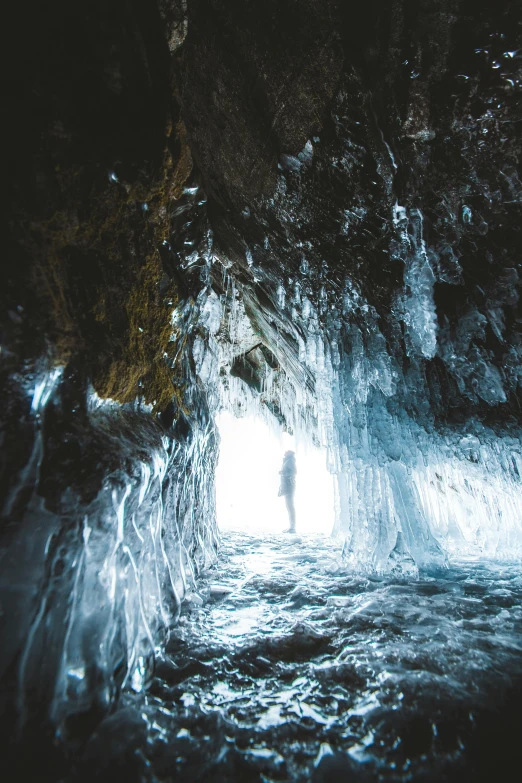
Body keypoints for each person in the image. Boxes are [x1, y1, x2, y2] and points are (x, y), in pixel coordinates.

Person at [278, 450, 297, 533]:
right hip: (287, 487)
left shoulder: (290, 461)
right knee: (289, 507)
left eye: (286, 452)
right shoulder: (287, 461)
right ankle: (291, 526)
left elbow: (294, 472)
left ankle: (292, 527)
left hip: (289, 487)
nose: (284, 453)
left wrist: (283, 473)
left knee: (290, 507)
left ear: (289, 454)